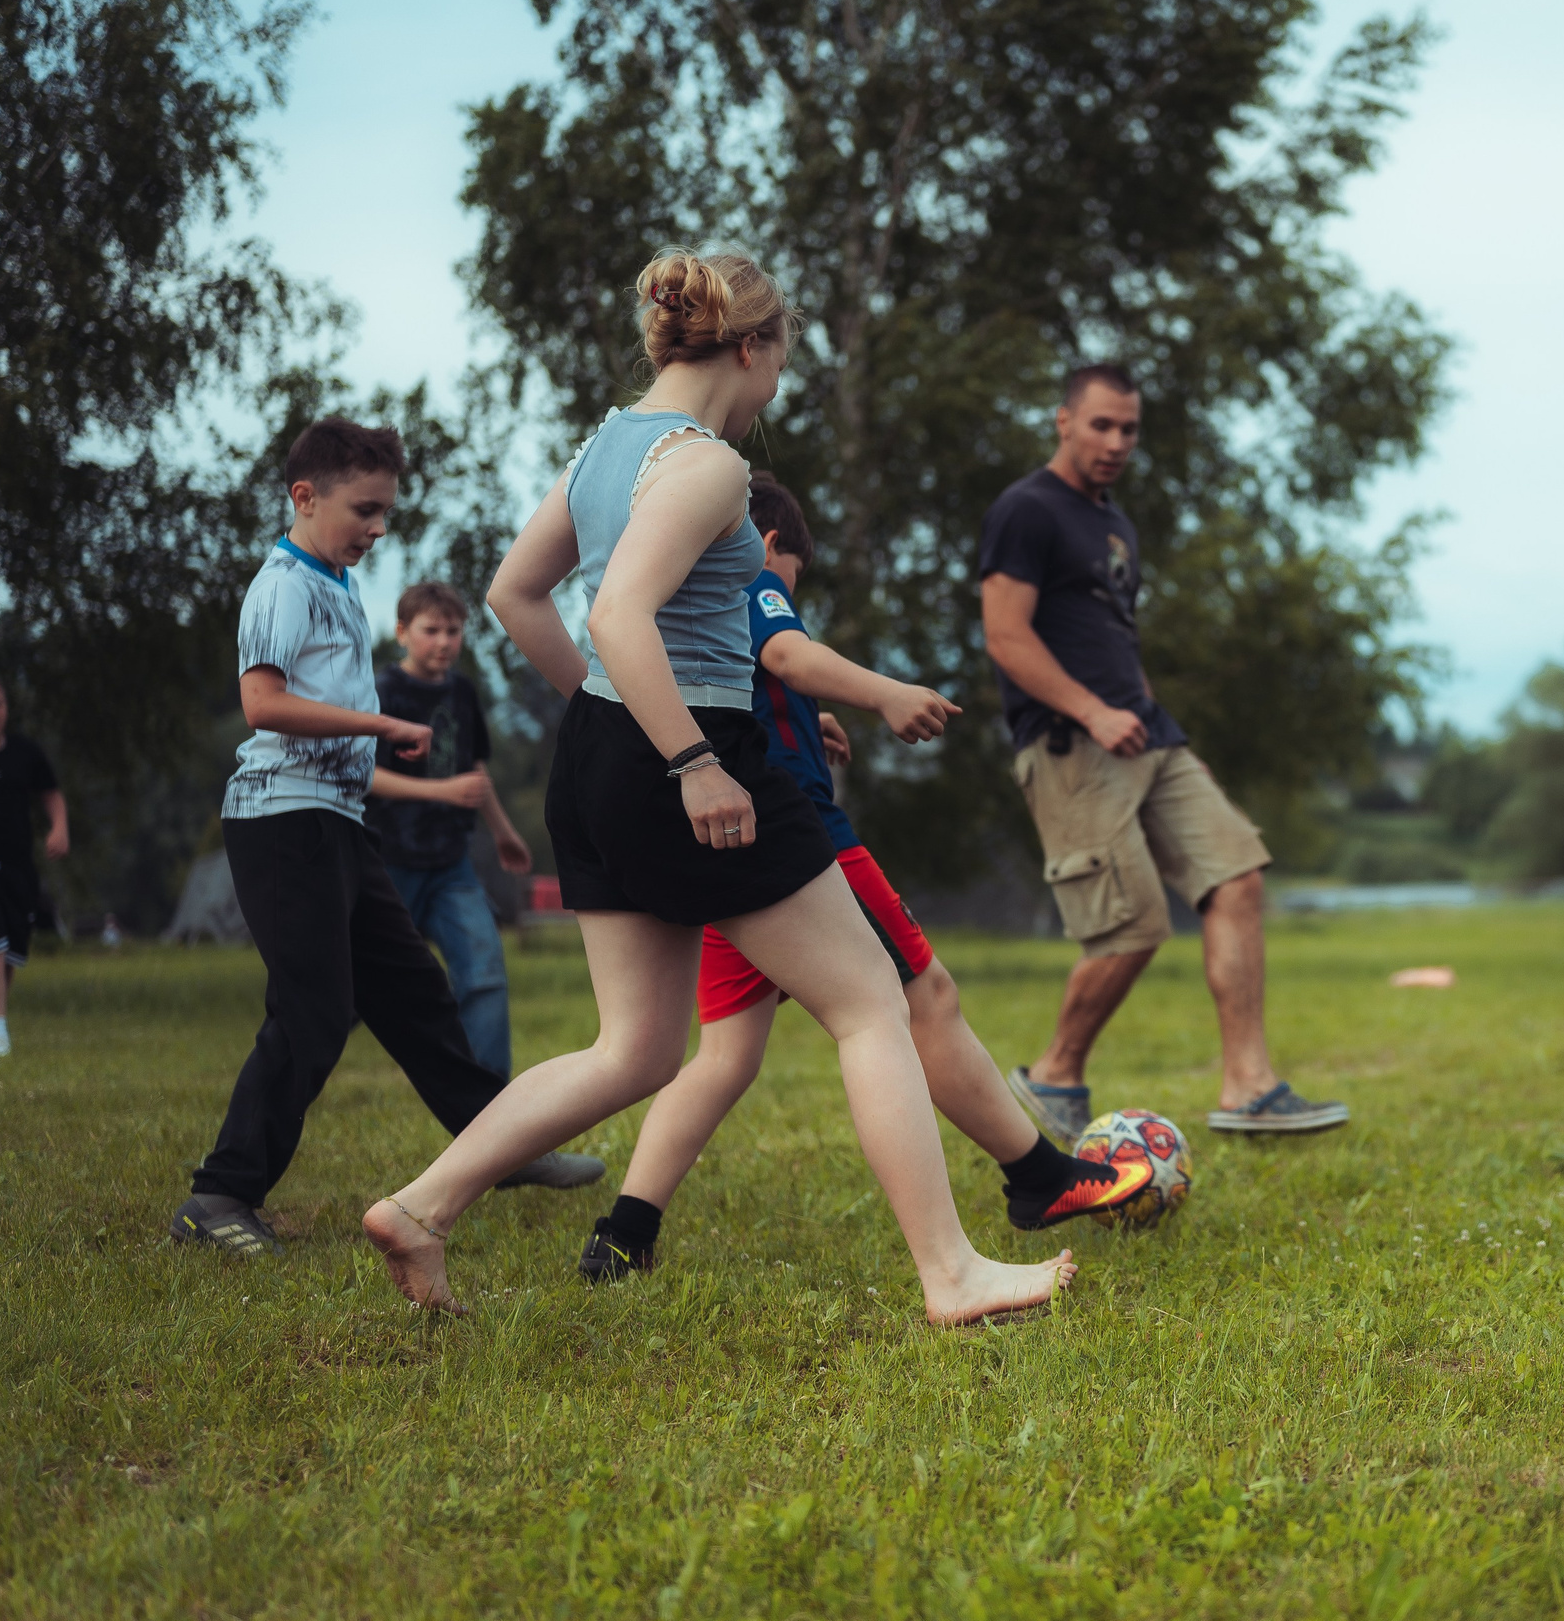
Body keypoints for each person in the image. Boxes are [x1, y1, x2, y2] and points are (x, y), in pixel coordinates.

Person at [364, 249, 1076, 1324]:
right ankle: (952, 1274)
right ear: (753, 346)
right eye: (782, 361)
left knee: (636, 1048)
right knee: (870, 1002)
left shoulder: (608, 445)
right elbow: (615, 617)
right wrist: (689, 758)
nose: (777, 388)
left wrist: (613, 720)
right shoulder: (707, 466)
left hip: (600, 761)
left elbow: (518, 595)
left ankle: (423, 1207)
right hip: (686, 760)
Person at [576, 474, 1148, 1280]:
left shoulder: (681, 606)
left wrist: (806, 714)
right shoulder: (753, 573)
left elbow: (754, 680)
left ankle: (624, 1231)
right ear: (771, 543)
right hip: (804, 844)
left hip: (728, 851)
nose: (787, 589)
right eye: (795, 575)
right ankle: (1040, 1178)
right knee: (925, 997)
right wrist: (886, 693)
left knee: (726, 1056)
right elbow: (784, 650)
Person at [172, 419, 601, 1260]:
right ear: (305, 497)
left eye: (385, 514)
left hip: (334, 820)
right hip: (278, 820)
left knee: (414, 990)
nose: (376, 528)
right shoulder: (282, 585)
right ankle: (218, 1195)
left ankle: (499, 1143)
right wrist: (378, 720)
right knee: (315, 1010)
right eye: (363, 510)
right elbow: (261, 705)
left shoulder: (336, 582)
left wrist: (373, 743)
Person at [978, 364, 1347, 1140]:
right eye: (1102, 425)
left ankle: (1249, 1086)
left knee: (1236, 874)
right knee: (1134, 926)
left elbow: (1119, 638)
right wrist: (1090, 710)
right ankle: (1053, 1073)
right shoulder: (1026, 510)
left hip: (1147, 732)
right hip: (1073, 743)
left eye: (1130, 429)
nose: (1117, 442)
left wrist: (1171, 737)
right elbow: (1006, 635)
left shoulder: (1116, 525)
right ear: (1064, 422)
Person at [365, 580, 534, 1078]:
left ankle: (489, 1113)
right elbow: (364, 774)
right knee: (361, 985)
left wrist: (503, 830)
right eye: (430, 630)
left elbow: (474, 771)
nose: (443, 641)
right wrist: (440, 792)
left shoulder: (461, 691)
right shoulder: (382, 690)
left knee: (483, 973)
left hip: (451, 864)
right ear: (402, 633)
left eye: (453, 630)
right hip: (388, 862)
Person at [0, 672, 69, 1057]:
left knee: (11, 949)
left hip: (18, 866)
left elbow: (51, 793)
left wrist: (59, 827)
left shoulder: (24, 752)